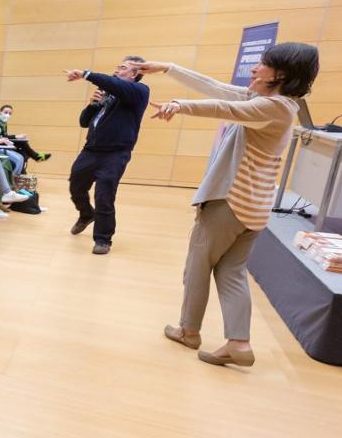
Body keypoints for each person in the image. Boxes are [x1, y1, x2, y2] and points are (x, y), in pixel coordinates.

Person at [132, 44, 320, 367]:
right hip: (254, 209)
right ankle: (238, 342)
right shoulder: (274, 104)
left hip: (230, 203)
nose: (255, 68)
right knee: (232, 271)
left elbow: (223, 106)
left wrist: (179, 105)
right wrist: (169, 68)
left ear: (281, 75)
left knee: (197, 266)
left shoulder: (272, 107)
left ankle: (188, 330)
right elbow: (217, 89)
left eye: (262, 64)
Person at [64, 55, 150, 255]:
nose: (117, 69)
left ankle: (103, 239)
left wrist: (86, 74)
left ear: (135, 73)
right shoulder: (108, 94)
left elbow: (114, 84)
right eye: (117, 66)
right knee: (76, 186)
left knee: (104, 195)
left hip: (115, 154)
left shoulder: (140, 91)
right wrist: (93, 104)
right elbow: (84, 122)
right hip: (91, 150)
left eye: (123, 67)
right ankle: (86, 214)